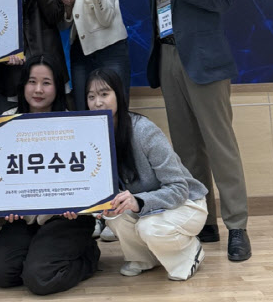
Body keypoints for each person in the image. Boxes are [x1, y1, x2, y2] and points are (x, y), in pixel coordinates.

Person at [141, 0, 251, 262]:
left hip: (204, 62)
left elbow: (222, 0)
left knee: (220, 145)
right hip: (169, 58)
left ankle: (237, 226)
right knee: (187, 149)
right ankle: (205, 220)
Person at [0, 55, 100, 296]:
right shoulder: (4, 124)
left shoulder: (75, 125)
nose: (38, 90)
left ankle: (88, 255)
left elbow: (87, 178)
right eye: (32, 82)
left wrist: (78, 203)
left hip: (66, 219)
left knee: (40, 279)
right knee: (0, 273)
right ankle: (40, 253)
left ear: (57, 87)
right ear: (22, 85)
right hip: (23, 218)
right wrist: (3, 205)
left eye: (46, 83)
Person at [86, 68, 208, 280]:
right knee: (115, 214)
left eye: (104, 94)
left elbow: (179, 189)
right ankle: (143, 258)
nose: (98, 102)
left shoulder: (143, 130)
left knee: (149, 227)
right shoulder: (93, 136)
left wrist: (138, 201)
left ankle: (189, 253)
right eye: (91, 96)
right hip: (147, 208)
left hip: (186, 203)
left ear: (119, 95)